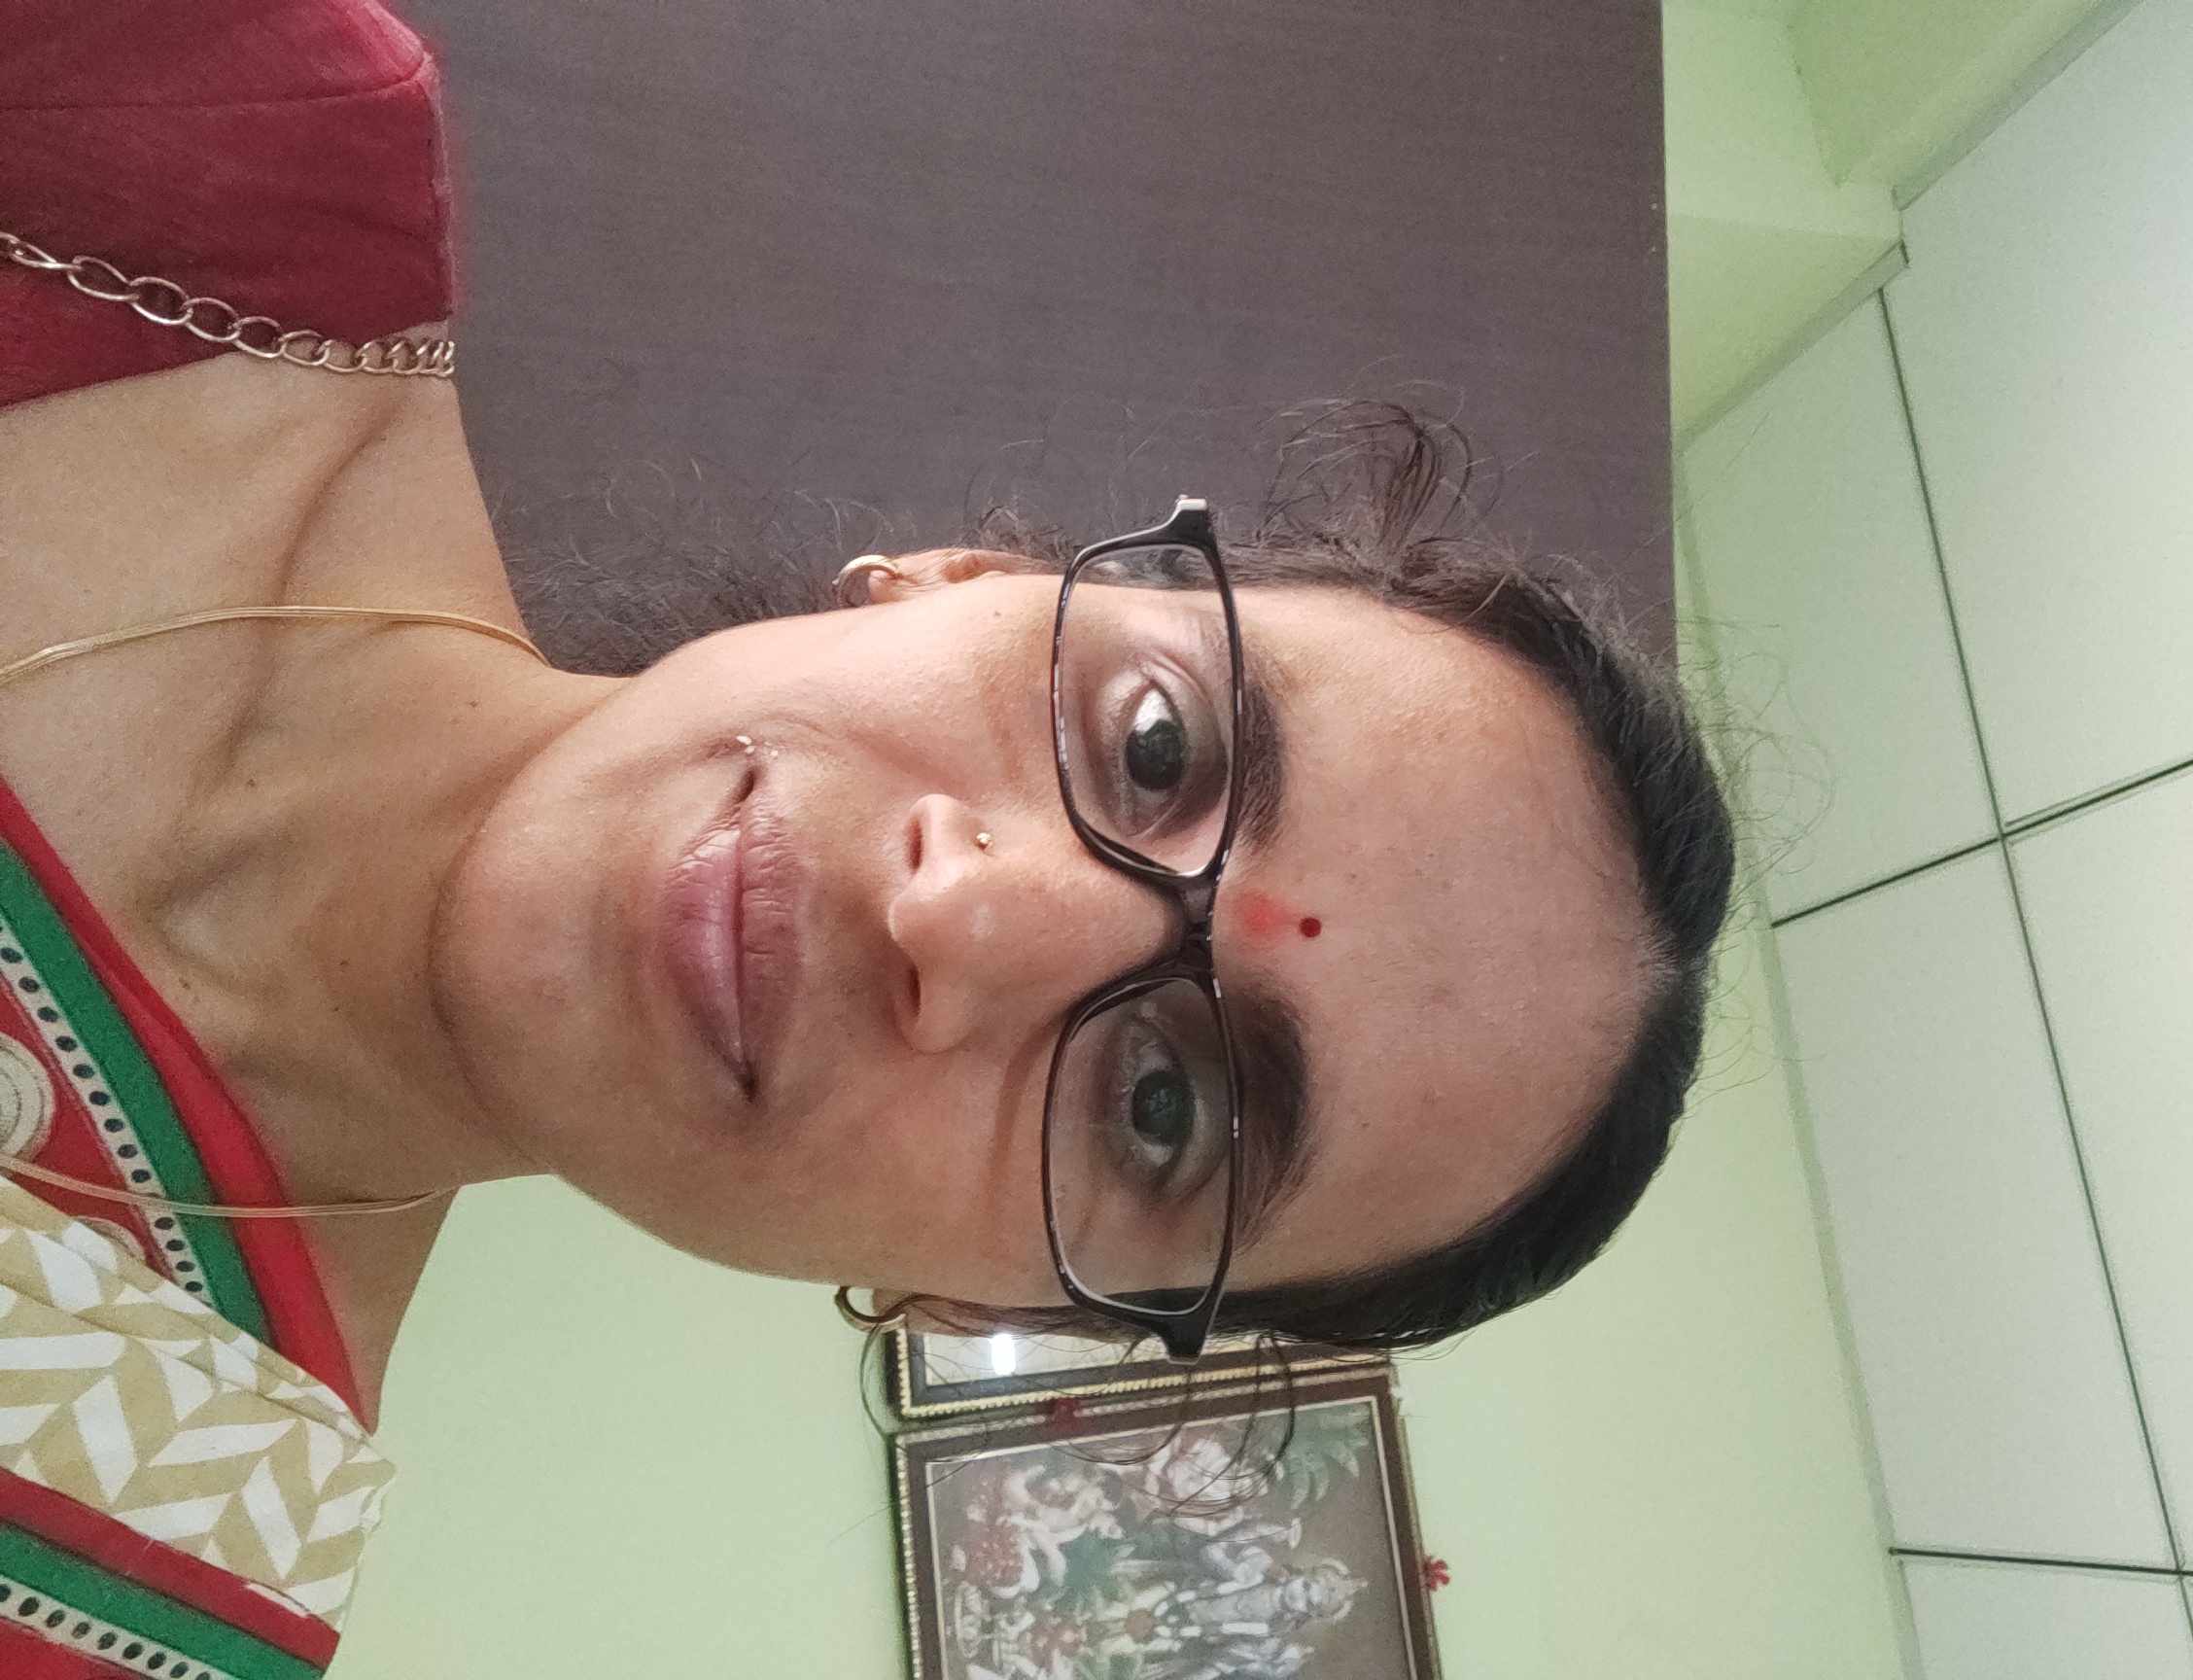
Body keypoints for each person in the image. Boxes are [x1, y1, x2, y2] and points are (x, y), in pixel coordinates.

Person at [0, 0, 1735, 1673]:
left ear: (977, 1306)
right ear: (961, 575)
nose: (967, 922)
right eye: (1152, 744)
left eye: (1162, 1108)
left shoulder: (125, 1563)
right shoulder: (206, 134)